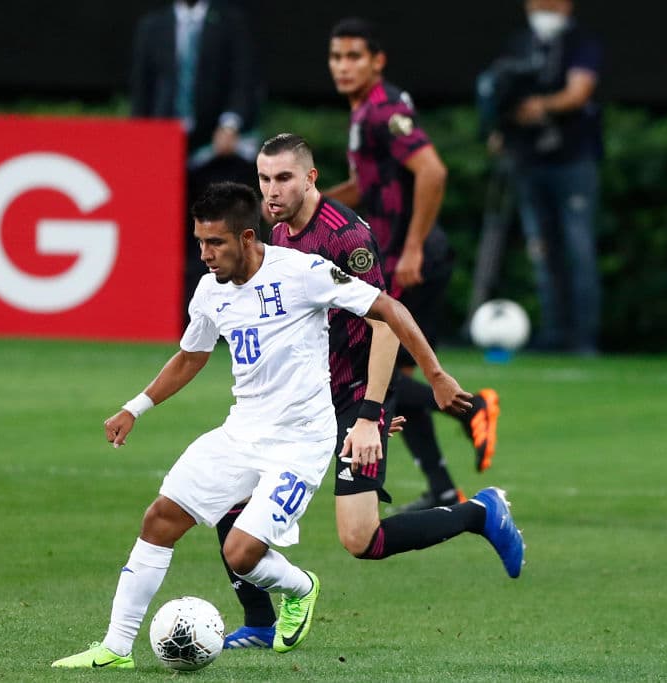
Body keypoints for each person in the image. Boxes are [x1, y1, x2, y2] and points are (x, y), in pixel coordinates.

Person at [51, 182, 494, 668]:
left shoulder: (303, 273)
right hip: (241, 432)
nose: (205, 254)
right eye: (199, 242)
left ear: (246, 237)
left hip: (300, 443)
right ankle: (115, 648)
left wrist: (434, 374)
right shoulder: (209, 291)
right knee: (159, 519)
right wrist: (135, 407)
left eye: (215, 243)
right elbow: (191, 357)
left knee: (241, 554)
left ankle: (301, 588)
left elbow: (388, 309)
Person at [217, 134, 526, 649]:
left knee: (361, 539)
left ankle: (480, 512)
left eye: (284, 178)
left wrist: (369, 415)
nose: (271, 190)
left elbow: (384, 324)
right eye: (265, 178)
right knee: (227, 494)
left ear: (311, 178)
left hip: (351, 400)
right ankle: (259, 622)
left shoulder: (345, 238)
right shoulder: (274, 232)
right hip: (299, 402)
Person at [324, 17, 501, 513]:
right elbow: (368, 188)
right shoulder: (368, 113)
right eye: (336, 57)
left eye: (354, 56)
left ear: (377, 61)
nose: (343, 66)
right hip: (398, 257)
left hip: (408, 261)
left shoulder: (382, 111)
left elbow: (432, 170)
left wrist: (415, 247)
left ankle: (474, 409)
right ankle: (443, 487)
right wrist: (308, 205)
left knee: (371, 370)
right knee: (395, 371)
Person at [484, 0, 603, 355]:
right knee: (542, 250)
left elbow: (579, 91)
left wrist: (541, 106)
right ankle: (554, 334)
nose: (544, 8)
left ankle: (583, 337)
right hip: (528, 160)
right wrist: (500, 125)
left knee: (577, 247)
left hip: (572, 159)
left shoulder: (582, 42)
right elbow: (500, 91)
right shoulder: (520, 44)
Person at [129, 0, 263, 307]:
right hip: (166, 150)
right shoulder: (153, 26)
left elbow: (245, 79)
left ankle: (237, 310)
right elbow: (142, 89)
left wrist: (231, 123)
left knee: (221, 234)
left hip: (216, 151)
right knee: (171, 240)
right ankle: (183, 316)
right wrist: (141, 140)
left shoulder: (230, 21)